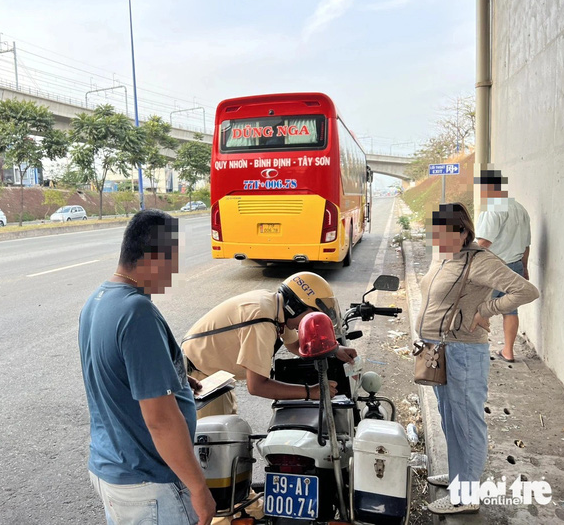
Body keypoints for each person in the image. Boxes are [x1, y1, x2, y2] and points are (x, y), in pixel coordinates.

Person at [78, 210, 216, 525]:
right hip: (147, 484)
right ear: (154, 256)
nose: (173, 274)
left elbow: (115, 376)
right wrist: (198, 488)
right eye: (172, 262)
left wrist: (174, 381)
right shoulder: (137, 312)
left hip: (110, 467)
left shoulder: (97, 301)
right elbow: (161, 421)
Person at [417, 203, 539, 515]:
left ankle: (466, 495)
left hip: (463, 353)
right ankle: (460, 477)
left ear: (464, 231)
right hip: (437, 350)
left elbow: (525, 290)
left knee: (467, 423)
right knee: (449, 417)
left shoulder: (479, 260)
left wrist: (485, 311)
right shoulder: (447, 257)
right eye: (436, 232)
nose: (439, 238)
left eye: (446, 232)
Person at [182, 271, 357, 419]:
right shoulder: (263, 321)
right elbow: (257, 386)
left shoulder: (276, 306)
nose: (311, 324)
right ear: (295, 307)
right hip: (200, 380)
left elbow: (295, 344)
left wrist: (335, 350)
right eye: (311, 316)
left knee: (232, 436)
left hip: (216, 376)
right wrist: (310, 392)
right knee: (215, 448)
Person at [475, 169, 532, 362]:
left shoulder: (493, 208)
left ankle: (479, 351)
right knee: (510, 310)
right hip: (515, 265)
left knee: (478, 308)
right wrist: (524, 268)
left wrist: (466, 261)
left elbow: (483, 242)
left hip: (494, 268)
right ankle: (508, 351)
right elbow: (526, 245)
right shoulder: (520, 209)